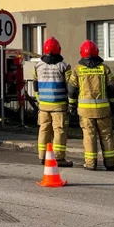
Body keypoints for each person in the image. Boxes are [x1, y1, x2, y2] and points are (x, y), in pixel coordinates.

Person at [66, 40, 114, 171]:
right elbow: (111, 89)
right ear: (97, 52)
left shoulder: (77, 70)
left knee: (89, 136)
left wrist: (72, 105)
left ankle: (90, 163)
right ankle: (110, 162)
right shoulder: (104, 68)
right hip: (103, 110)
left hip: (85, 111)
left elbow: (71, 90)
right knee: (106, 135)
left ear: (82, 53)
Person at [34, 37, 73, 167]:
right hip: (59, 105)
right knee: (59, 130)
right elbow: (70, 85)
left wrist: (38, 98)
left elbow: (35, 84)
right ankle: (59, 158)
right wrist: (71, 102)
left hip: (43, 104)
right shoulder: (64, 66)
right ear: (59, 50)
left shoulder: (38, 65)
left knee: (43, 130)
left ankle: (42, 156)